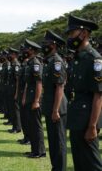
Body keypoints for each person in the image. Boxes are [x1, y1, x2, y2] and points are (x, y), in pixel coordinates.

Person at [65, 15, 102, 171]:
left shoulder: (94, 59)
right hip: (76, 117)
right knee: (79, 162)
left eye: (72, 32)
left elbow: (98, 95)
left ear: (84, 33)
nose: (70, 37)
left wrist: (93, 126)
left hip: (87, 120)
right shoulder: (77, 58)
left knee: (92, 164)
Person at [41, 30, 67, 171]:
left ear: (54, 45)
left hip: (57, 108)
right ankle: (55, 168)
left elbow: (60, 87)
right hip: (51, 106)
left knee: (59, 142)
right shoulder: (49, 61)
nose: (44, 46)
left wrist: (56, 110)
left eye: (47, 43)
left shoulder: (57, 61)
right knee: (53, 141)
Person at [22, 39, 46, 158]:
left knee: (36, 125)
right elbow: (27, 83)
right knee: (31, 125)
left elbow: (39, 83)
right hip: (29, 97)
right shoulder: (30, 63)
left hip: (35, 98)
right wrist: (25, 97)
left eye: (26, 48)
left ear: (32, 50)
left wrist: (36, 100)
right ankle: (34, 149)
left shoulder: (36, 63)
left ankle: (40, 151)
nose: (24, 51)